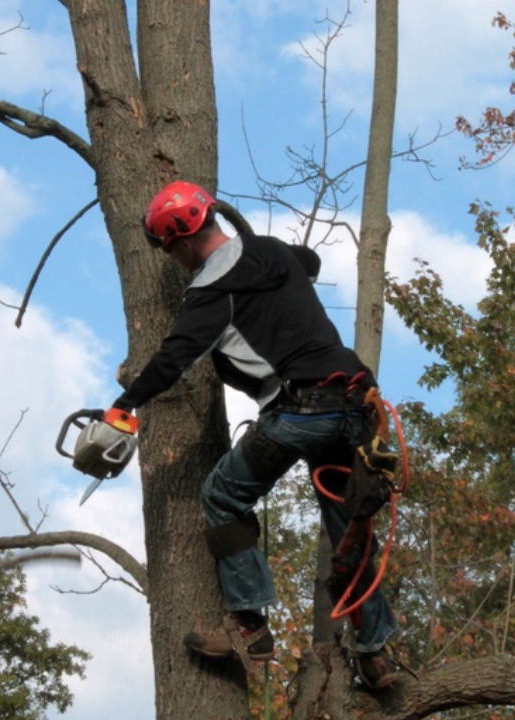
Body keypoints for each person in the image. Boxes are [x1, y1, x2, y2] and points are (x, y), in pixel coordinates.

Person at [113, 180, 399, 690]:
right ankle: (376, 657)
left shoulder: (210, 294)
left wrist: (124, 405)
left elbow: (172, 360)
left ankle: (250, 628)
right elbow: (307, 262)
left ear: (178, 243)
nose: (173, 259)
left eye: (170, 251)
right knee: (346, 528)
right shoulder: (272, 252)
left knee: (222, 496)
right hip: (356, 407)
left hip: (301, 412)